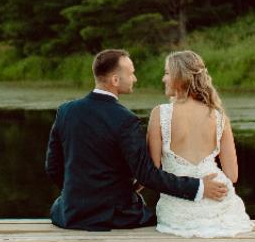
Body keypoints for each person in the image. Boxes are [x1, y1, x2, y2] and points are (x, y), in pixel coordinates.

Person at [45, 49, 228, 231]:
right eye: (131, 74)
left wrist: (78, 193)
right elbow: (146, 175)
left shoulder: (66, 111)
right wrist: (198, 186)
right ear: (115, 80)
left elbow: (53, 167)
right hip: (115, 216)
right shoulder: (125, 119)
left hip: (70, 213)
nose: (135, 79)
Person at [149, 50, 253, 237]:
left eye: (166, 73)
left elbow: (153, 171)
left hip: (178, 209)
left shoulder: (160, 114)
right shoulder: (220, 116)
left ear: (180, 77)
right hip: (220, 204)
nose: (163, 79)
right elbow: (232, 175)